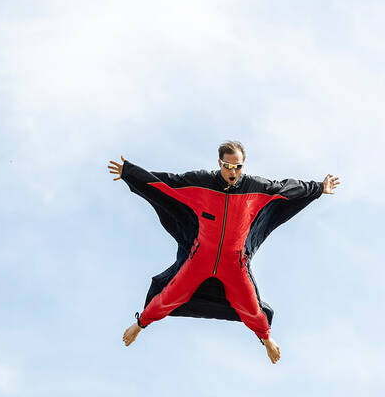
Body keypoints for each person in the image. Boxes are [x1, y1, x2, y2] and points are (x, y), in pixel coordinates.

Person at [108, 141, 339, 364]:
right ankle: (139, 325)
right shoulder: (202, 182)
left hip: (235, 264)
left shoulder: (256, 187)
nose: (233, 171)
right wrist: (130, 172)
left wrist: (319, 187)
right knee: (169, 297)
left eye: (238, 167)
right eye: (228, 166)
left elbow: (289, 188)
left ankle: (266, 339)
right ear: (220, 163)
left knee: (251, 308)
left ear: (243, 165)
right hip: (200, 258)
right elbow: (166, 183)